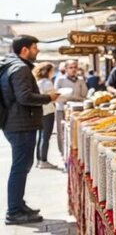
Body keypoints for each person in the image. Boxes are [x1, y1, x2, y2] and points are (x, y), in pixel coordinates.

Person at [0, 35, 59, 225]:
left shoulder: (11, 65)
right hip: (21, 124)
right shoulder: (20, 68)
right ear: (24, 50)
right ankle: (14, 211)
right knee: (20, 167)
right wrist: (48, 97)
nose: (37, 51)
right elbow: (24, 97)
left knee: (22, 166)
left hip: (16, 123)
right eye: (35, 48)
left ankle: (18, 204)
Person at [54, 60, 88, 160]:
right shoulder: (60, 80)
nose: (73, 70)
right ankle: (63, 154)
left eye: (75, 67)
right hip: (62, 108)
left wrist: (78, 98)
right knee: (62, 131)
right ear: (66, 69)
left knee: (75, 131)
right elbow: (56, 94)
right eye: (71, 67)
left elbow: (84, 94)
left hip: (77, 109)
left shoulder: (80, 80)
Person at [32, 62, 57, 170]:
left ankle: (39, 160)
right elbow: (53, 97)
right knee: (45, 137)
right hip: (48, 111)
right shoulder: (47, 83)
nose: (53, 72)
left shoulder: (38, 82)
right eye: (52, 70)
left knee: (41, 137)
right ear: (48, 71)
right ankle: (43, 160)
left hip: (40, 111)